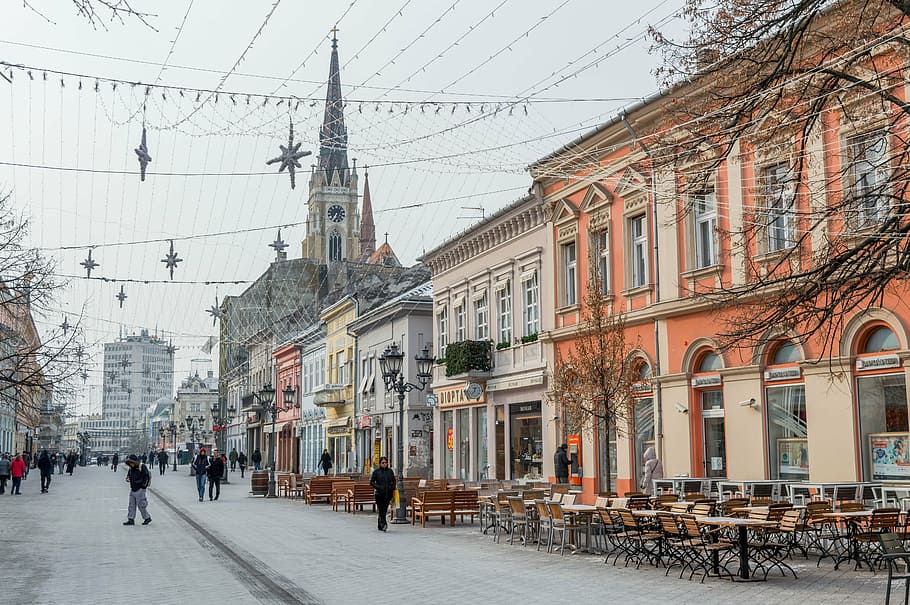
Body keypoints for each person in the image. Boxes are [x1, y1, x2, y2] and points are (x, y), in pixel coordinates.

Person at [123, 454, 151, 525]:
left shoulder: (142, 466)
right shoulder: (131, 469)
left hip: (140, 489)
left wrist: (143, 486)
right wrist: (128, 478)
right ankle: (131, 519)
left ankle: (147, 517)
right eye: (129, 463)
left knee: (141, 505)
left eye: (131, 463)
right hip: (133, 489)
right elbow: (129, 476)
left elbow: (146, 476)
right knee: (131, 505)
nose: (130, 464)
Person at [369, 456, 396, 532]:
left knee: (384, 510)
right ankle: (384, 524)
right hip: (379, 494)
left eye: (386, 463)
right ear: (380, 463)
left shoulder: (390, 471)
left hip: (388, 494)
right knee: (381, 510)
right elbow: (371, 482)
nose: (384, 464)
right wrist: (378, 487)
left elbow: (393, 480)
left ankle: (380, 524)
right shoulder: (376, 472)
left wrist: (392, 487)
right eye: (383, 463)